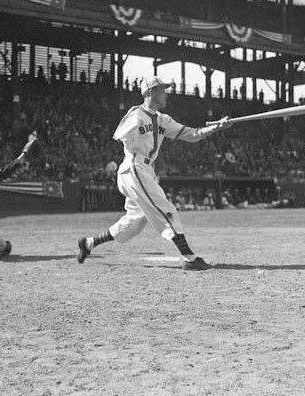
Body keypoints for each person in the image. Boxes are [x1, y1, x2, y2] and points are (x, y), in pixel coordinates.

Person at [76, 77, 232, 271]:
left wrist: (217, 127)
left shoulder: (163, 119)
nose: (166, 93)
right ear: (151, 92)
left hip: (145, 171)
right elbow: (119, 135)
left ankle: (89, 243)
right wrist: (136, 120)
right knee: (165, 209)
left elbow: (192, 135)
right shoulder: (136, 113)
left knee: (135, 221)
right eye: (162, 90)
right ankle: (190, 258)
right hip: (134, 167)